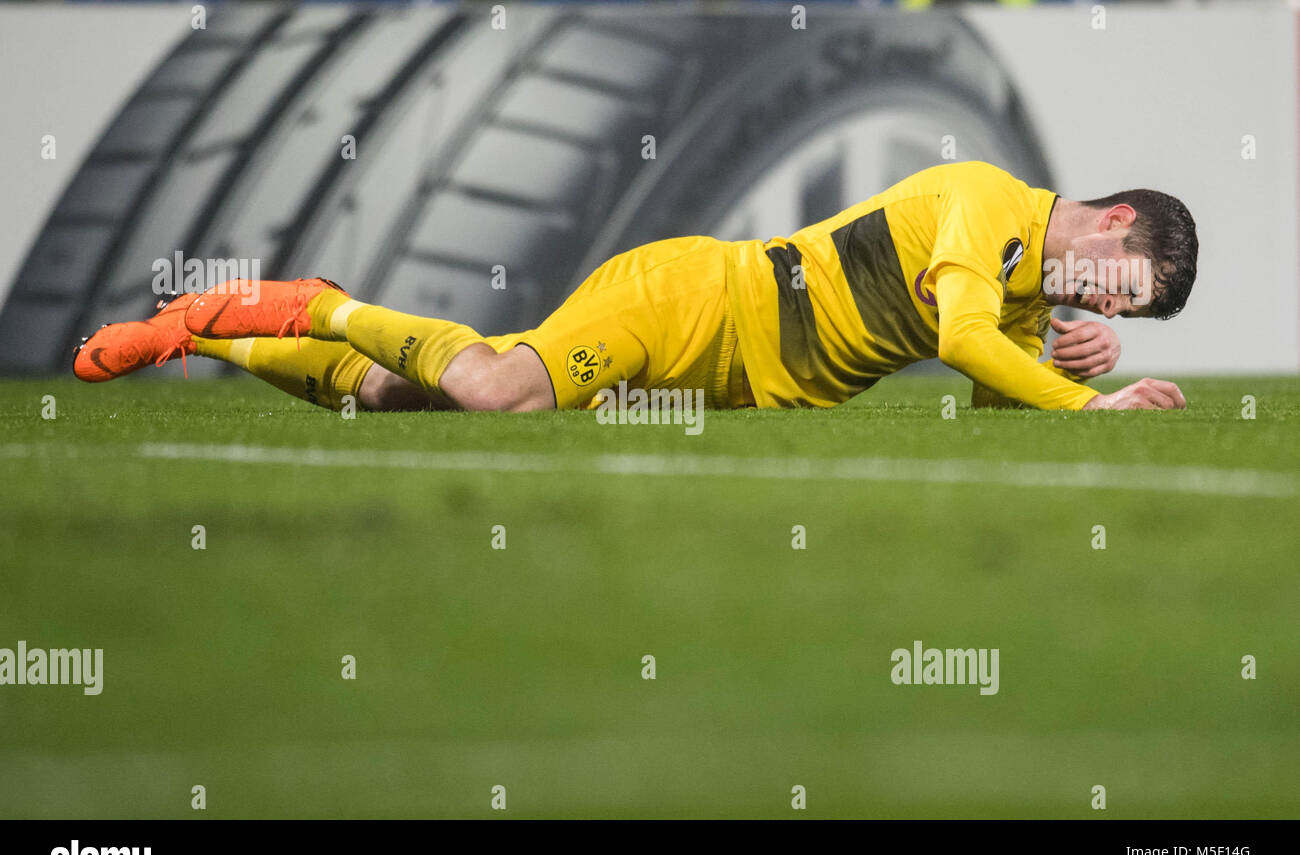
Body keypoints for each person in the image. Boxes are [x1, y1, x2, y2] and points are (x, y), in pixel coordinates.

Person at [75, 161, 1196, 412]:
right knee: (490, 392)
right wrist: (1090, 407)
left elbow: (984, 397)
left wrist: (1056, 364)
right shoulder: (985, 200)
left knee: (403, 399)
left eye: (1120, 315)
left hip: (714, 386)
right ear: (1108, 222)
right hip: (691, 302)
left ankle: (222, 335)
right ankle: (317, 300)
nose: (1102, 307)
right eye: (1116, 287)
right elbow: (955, 336)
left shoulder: (1033, 301)